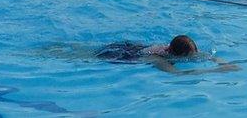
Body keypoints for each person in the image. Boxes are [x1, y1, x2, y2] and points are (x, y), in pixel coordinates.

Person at [96, 35, 238, 75]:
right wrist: (216, 71)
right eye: (188, 56)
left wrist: (224, 63)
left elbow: (206, 55)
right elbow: (177, 73)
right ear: (178, 55)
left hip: (132, 46)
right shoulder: (157, 59)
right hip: (117, 55)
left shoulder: (177, 48)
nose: (193, 57)